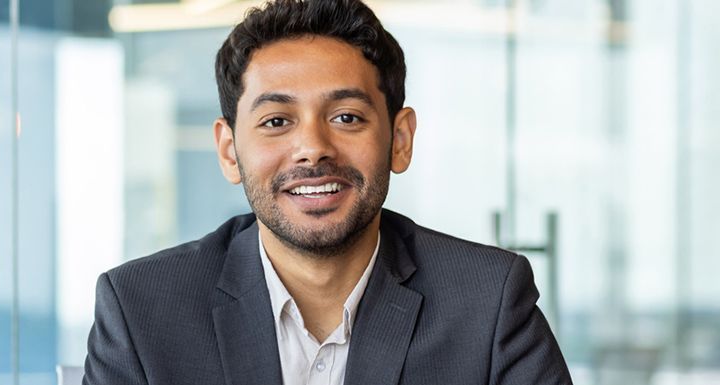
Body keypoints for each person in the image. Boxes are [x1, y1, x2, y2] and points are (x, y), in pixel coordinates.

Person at [83, 0, 572, 384]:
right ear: (230, 151)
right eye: (276, 121)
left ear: (399, 141)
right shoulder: (141, 310)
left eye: (346, 118)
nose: (312, 149)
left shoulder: (487, 301)